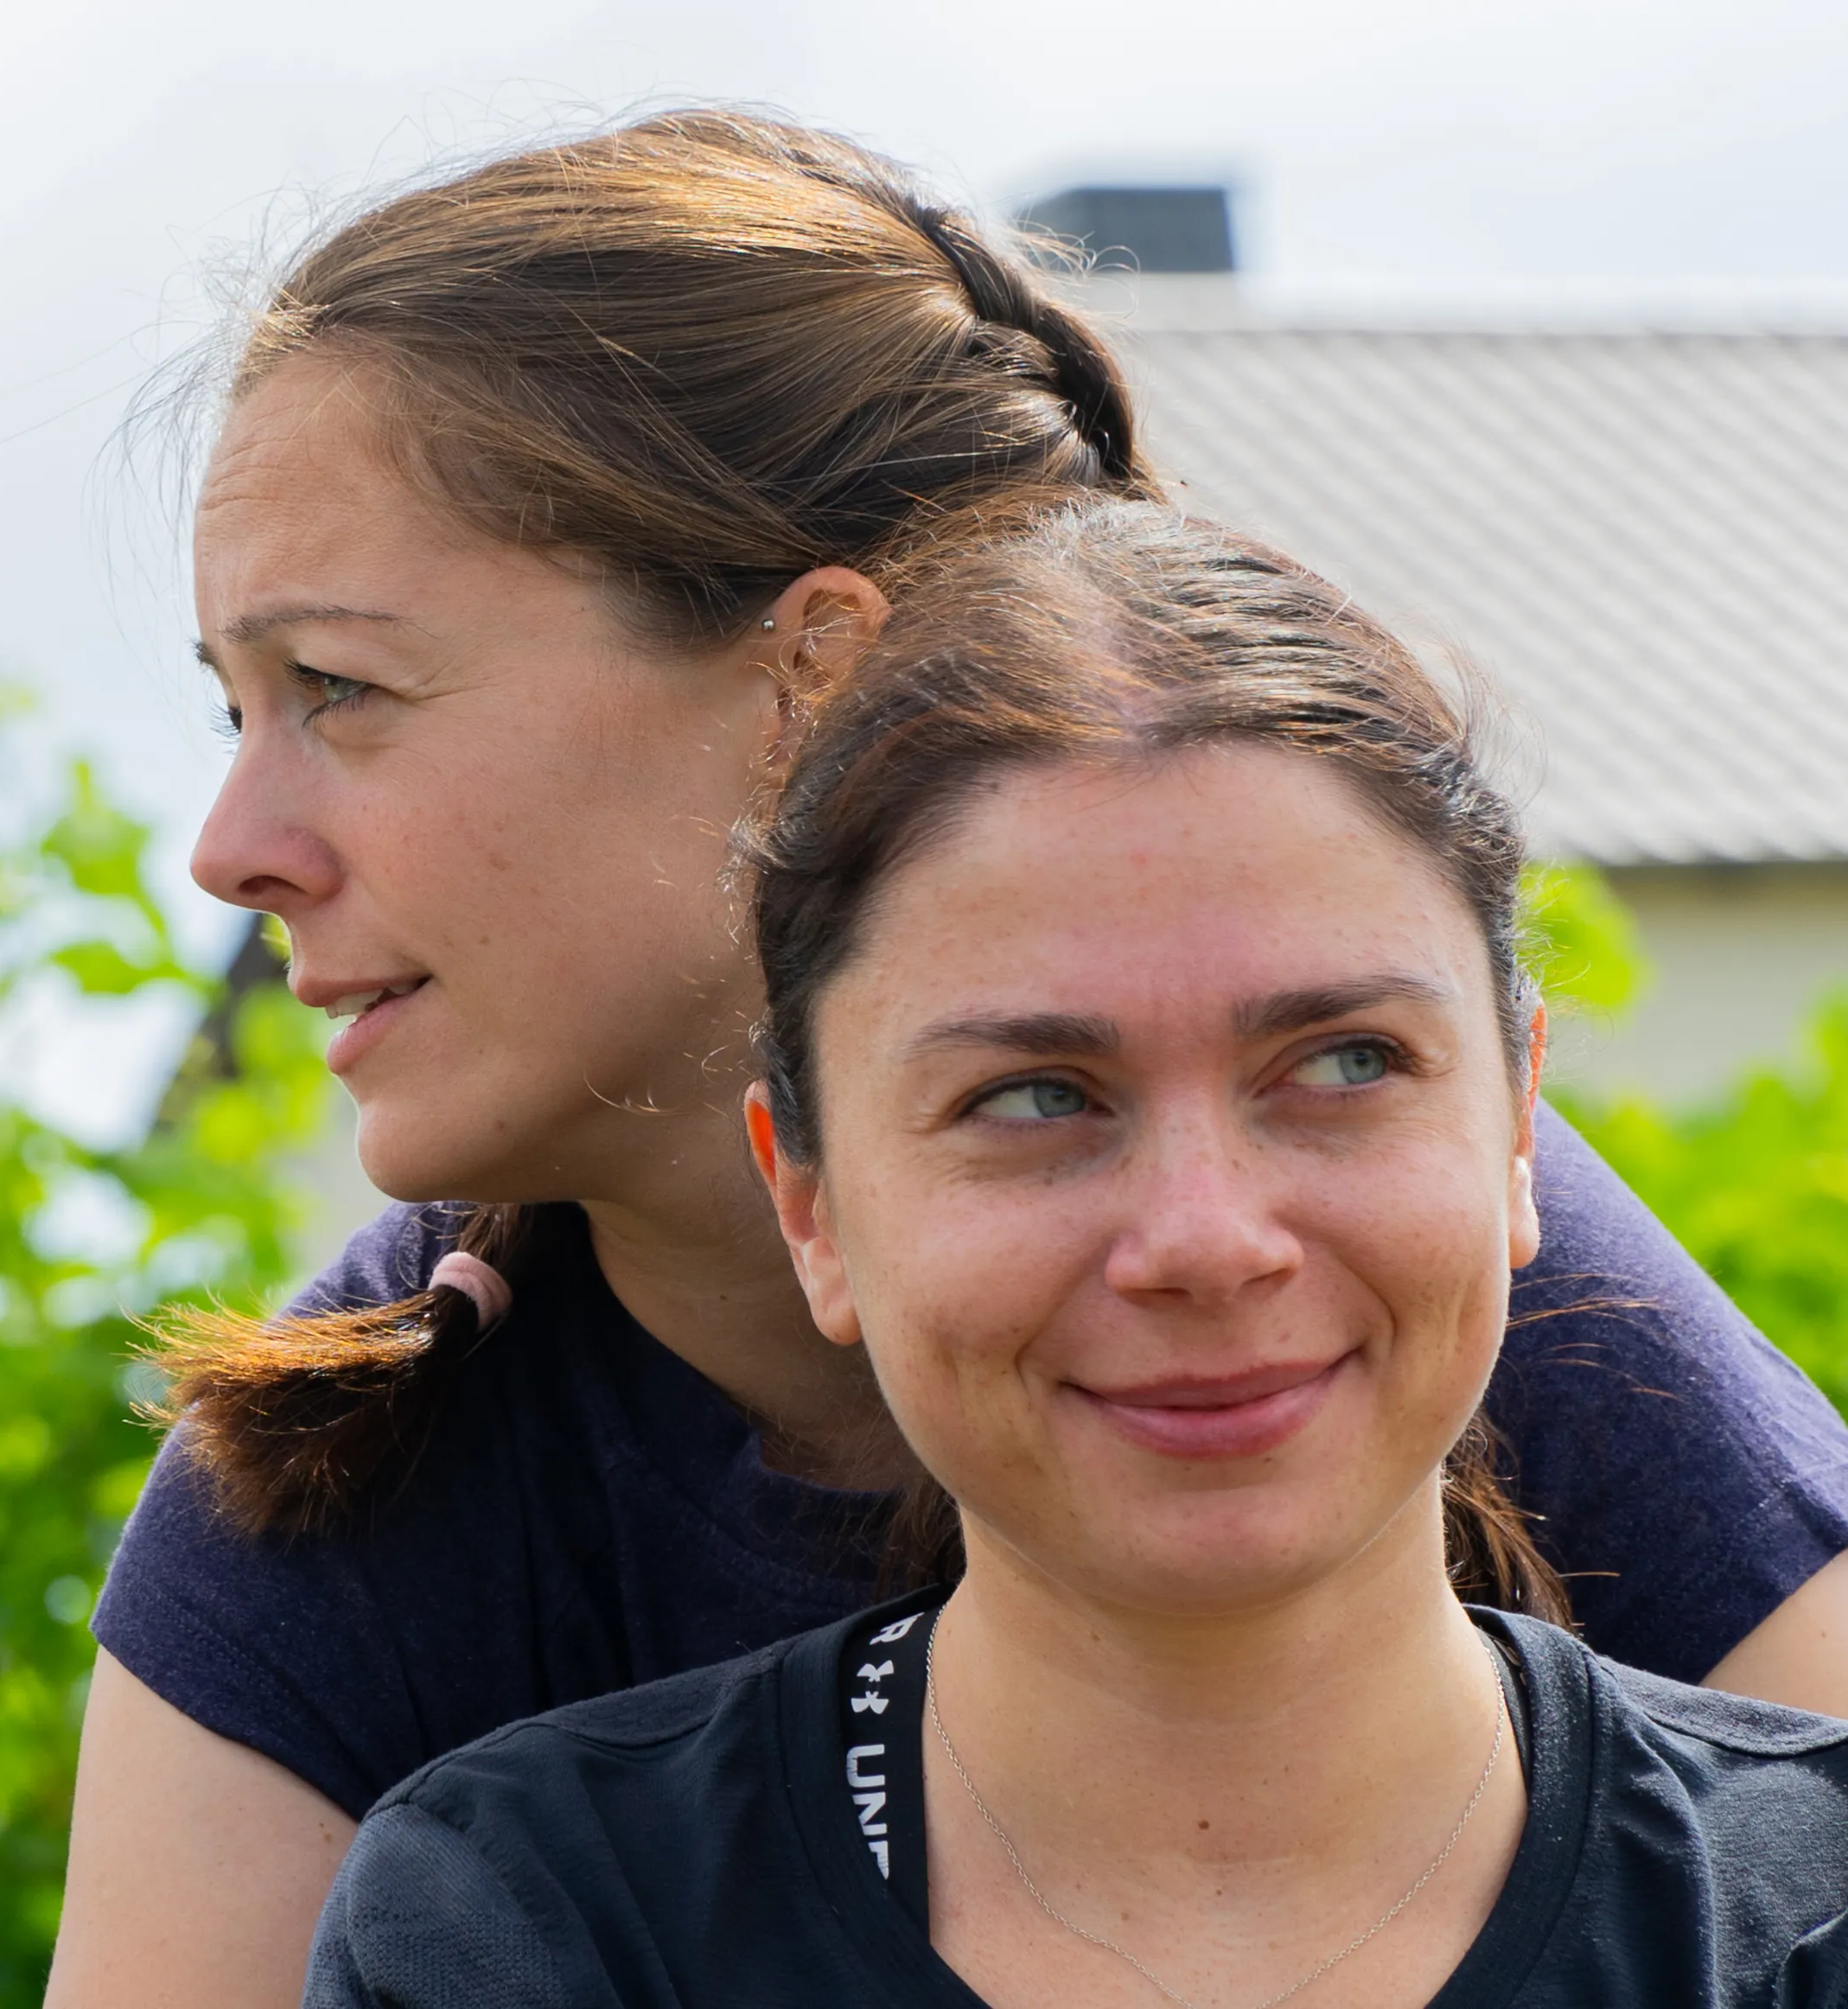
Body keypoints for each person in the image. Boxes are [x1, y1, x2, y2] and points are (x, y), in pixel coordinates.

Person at [46, 112, 1848, 2006]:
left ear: (808, 681)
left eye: (340, 688)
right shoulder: (366, 1475)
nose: (230, 842)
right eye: (1037, 1099)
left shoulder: (1402, 1285)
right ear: (805, 1194)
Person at [303, 499, 1848, 2007]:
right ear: (812, 1207)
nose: (1205, 1241)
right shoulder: (533, 1926)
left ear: (1517, 1123)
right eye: (1033, 1097)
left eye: (1343, 1063)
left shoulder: (1809, 1914)